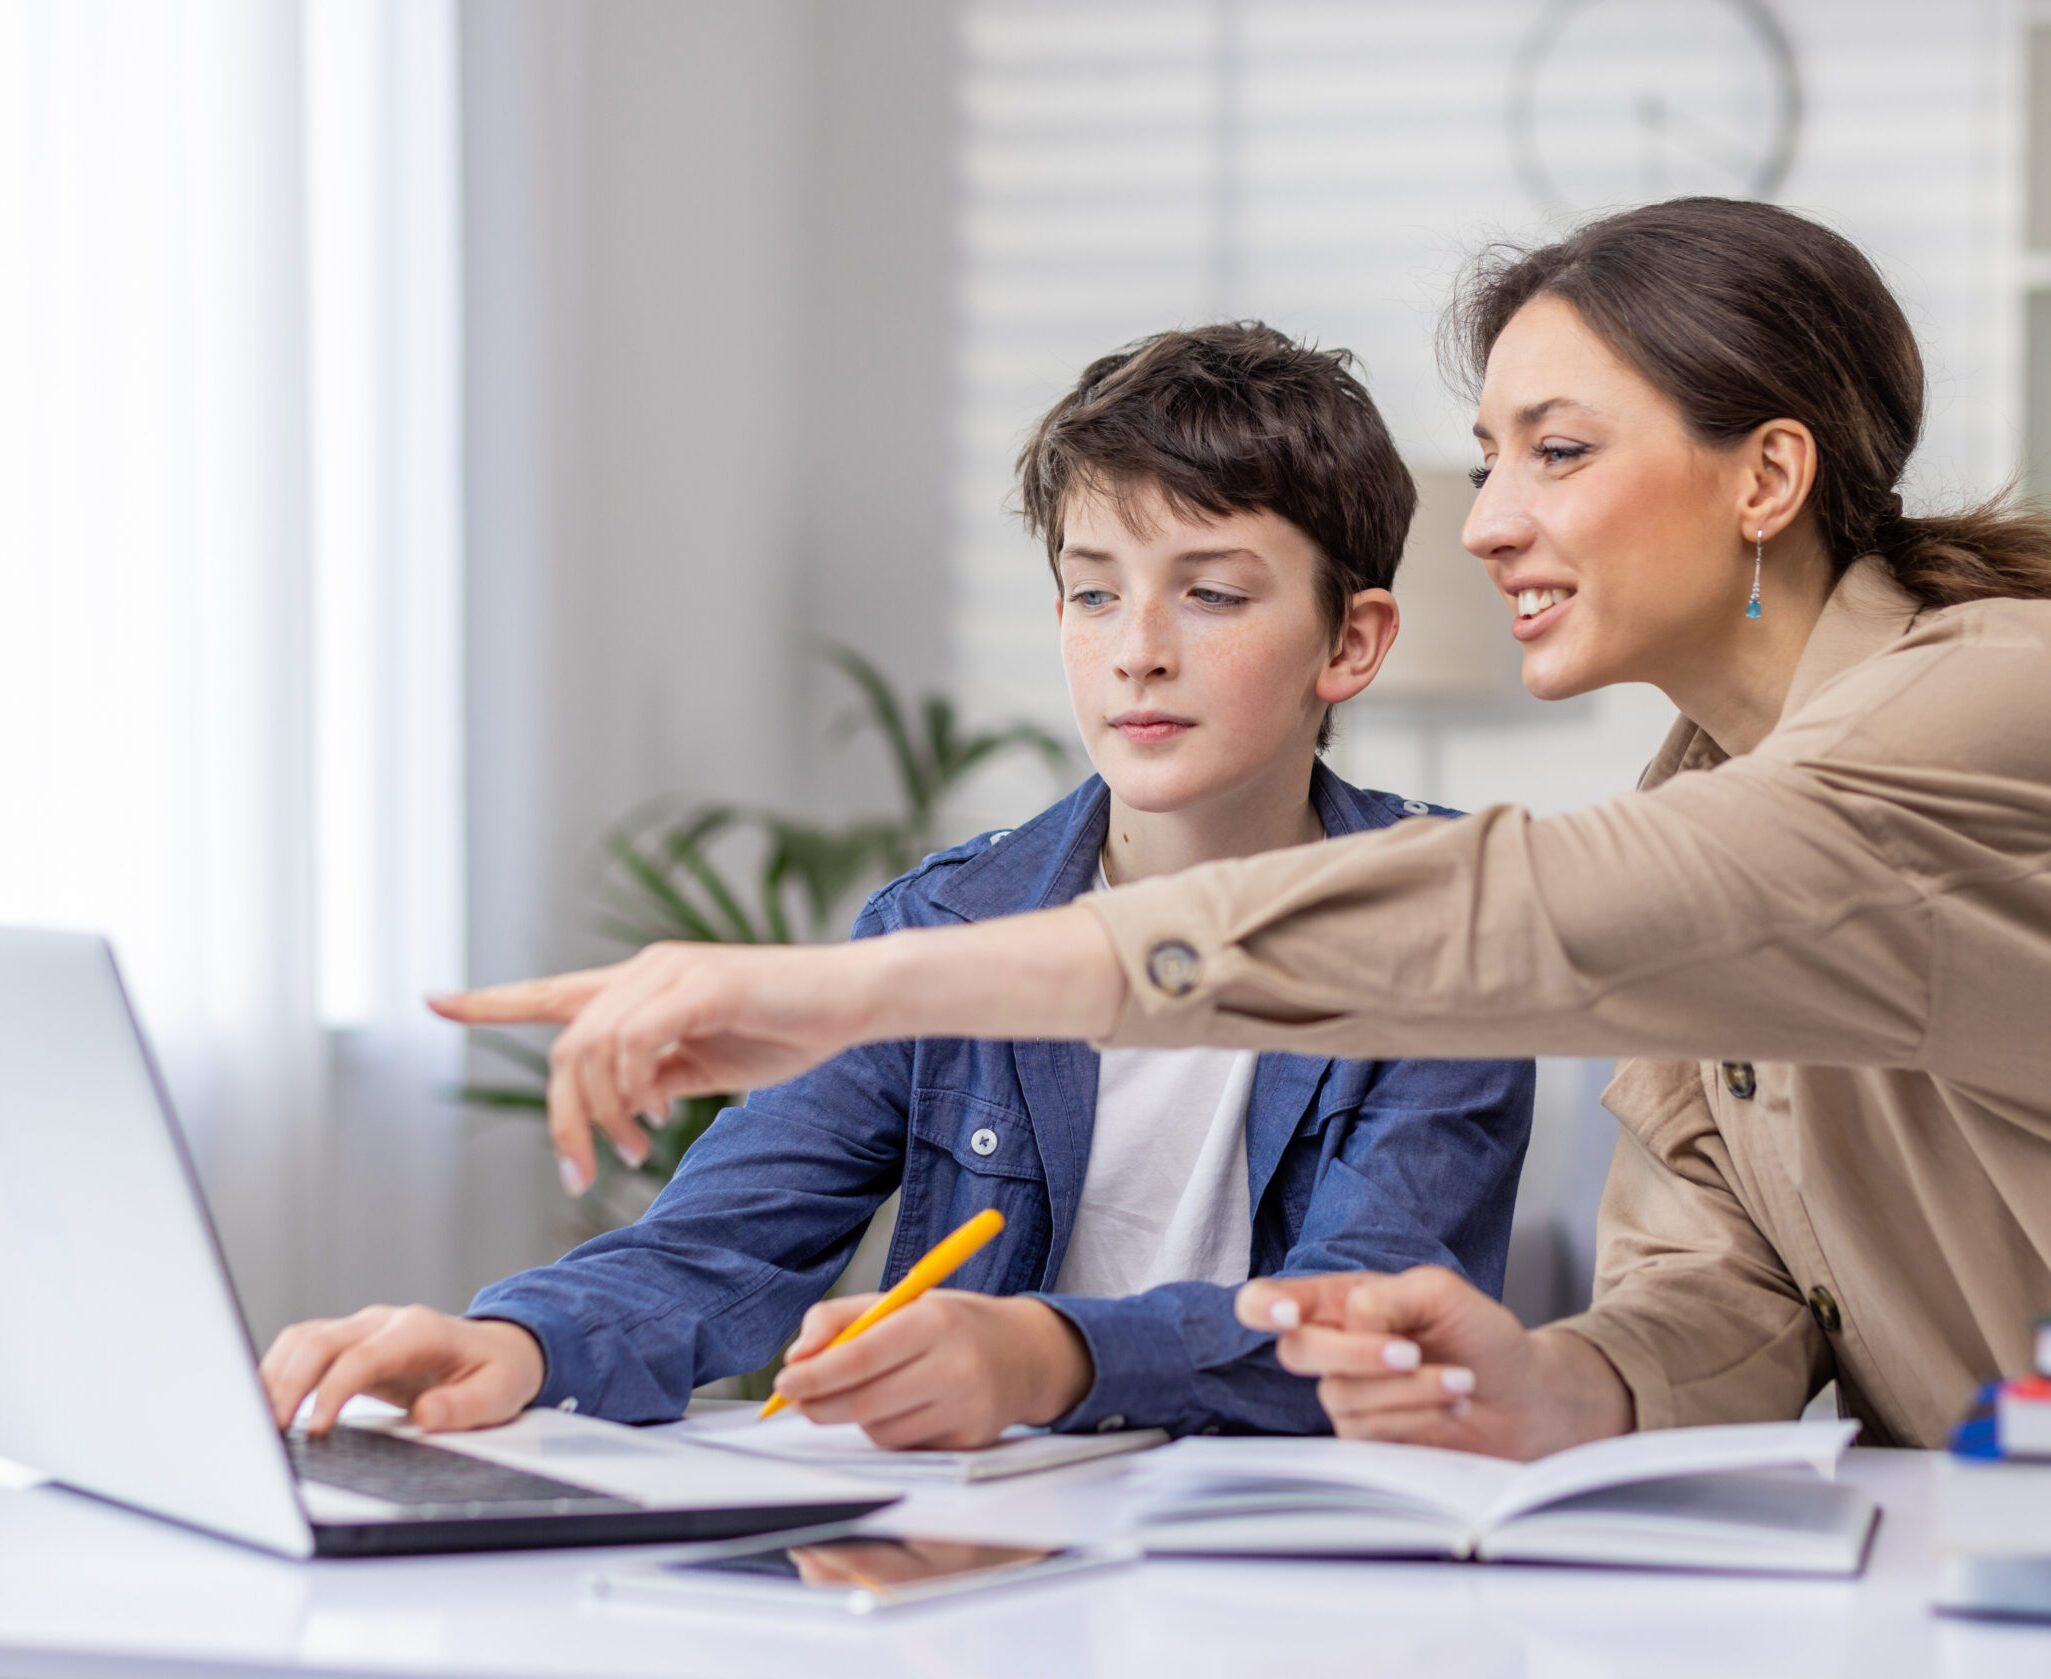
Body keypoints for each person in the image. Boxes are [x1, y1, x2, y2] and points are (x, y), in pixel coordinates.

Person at [424, 199, 2051, 1456]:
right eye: (1484, 463)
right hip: (2005, 1538)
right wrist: (1551, 1382)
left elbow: (1537, 910)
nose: (1487, 523)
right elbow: (1718, 1289)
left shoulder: (2001, 691)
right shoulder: (1690, 819)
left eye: (1556, 453)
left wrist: (849, 988)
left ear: (1761, 477)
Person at [257, 323, 1535, 1448]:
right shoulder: (942, 928)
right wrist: (521, 1346)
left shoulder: (1447, 926)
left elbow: (1363, 1328)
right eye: (1093, 594)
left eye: (1207, 594)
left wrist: (1044, 1356)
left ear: (1351, 641)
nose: (1136, 654)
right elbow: (722, 1249)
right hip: (980, 1543)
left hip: (1293, 1577)